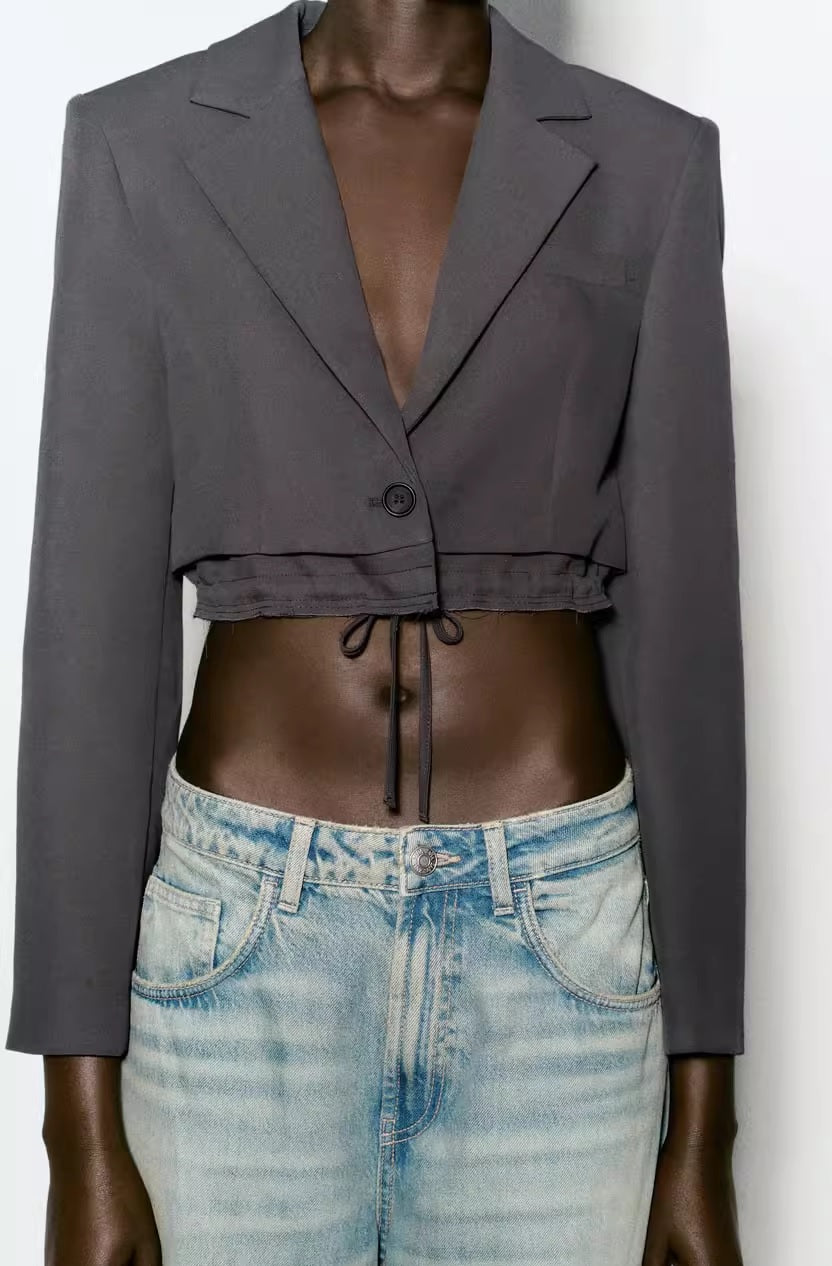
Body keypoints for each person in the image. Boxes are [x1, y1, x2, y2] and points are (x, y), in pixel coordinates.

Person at [6, 1, 746, 1263]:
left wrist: (704, 1134)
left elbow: (686, 656)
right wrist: (74, 1139)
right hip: (237, 955)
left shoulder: (648, 161)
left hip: (559, 961)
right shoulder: (141, 144)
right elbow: (91, 638)